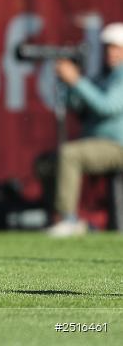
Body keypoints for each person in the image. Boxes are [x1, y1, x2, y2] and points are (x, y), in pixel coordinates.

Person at [46, 23, 123, 237]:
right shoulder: (103, 76)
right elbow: (80, 108)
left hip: (117, 146)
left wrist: (77, 80)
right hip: (96, 144)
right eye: (108, 47)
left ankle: (68, 219)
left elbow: (107, 106)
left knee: (70, 154)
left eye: (116, 48)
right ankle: (53, 217)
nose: (111, 52)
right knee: (46, 163)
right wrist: (69, 84)